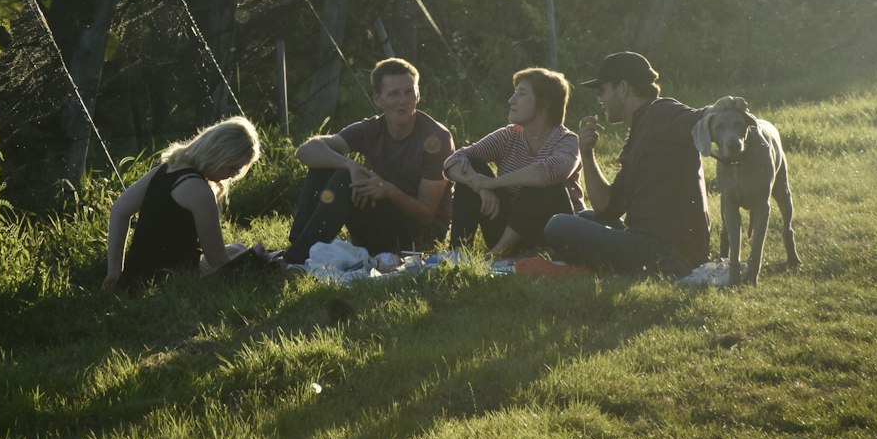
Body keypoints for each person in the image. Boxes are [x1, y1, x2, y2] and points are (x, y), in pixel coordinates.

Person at [543, 51, 710, 278]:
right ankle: (590, 266)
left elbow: (700, 117)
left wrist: (724, 107)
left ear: (623, 88)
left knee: (557, 225)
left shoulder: (662, 111)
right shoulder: (640, 129)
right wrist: (586, 153)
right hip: (648, 243)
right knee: (585, 217)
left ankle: (584, 267)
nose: (599, 99)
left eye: (602, 90)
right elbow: (607, 209)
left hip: (669, 256)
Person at [283, 57, 454, 264]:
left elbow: (427, 215)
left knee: (345, 178)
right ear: (377, 99)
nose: (403, 101)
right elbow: (305, 151)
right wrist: (350, 164)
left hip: (419, 235)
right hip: (379, 220)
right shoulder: (370, 129)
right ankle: (298, 247)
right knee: (325, 168)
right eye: (393, 94)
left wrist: (389, 190)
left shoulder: (436, 137)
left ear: (418, 94)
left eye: (409, 92)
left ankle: (295, 259)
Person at [104, 117, 261, 290]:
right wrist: (260, 262)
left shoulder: (166, 169)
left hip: (137, 274)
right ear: (218, 155)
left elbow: (119, 209)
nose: (232, 175)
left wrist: (115, 270)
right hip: (169, 281)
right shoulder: (200, 191)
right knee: (244, 255)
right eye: (233, 168)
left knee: (237, 248)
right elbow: (218, 261)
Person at [444, 67, 582, 259]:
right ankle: (457, 254)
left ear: (545, 104)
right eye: (514, 93)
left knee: (541, 182)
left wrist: (492, 183)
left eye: (521, 94)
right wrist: (480, 186)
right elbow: (454, 161)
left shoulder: (568, 141)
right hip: (509, 227)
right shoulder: (509, 135)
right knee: (471, 164)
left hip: (552, 234)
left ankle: (499, 253)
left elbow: (553, 171)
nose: (511, 100)